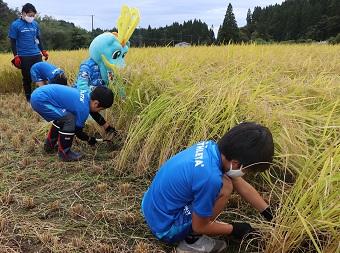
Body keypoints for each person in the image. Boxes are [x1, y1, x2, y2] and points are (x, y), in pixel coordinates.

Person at [141, 122, 275, 253]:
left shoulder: (209, 149)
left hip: (150, 207)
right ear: (235, 164)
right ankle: (192, 241)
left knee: (227, 181)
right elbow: (199, 226)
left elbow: (240, 183)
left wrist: (268, 213)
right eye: (248, 171)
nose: (245, 174)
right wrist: (234, 229)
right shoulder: (210, 178)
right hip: (165, 228)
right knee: (225, 187)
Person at [30, 85, 114, 162]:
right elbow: (78, 131)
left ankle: (49, 145)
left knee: (64, 116)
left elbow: (93, 112)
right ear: (96, 103)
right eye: (101, 109)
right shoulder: (83, 109)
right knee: (69, 119)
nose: (99, 111)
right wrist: (89, 139)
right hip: (41, 100)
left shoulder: (86, 96)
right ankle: (64, 153)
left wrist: (107, 127)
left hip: (39, 94)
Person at [8, 3, 49, 101]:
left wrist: (42, 51)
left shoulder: (35, 24)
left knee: (41, 76)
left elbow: (38, 38)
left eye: (33, 15)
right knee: (27, 78)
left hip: (36, 55)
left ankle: (42, 97)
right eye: (30, 15)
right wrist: (16, 56)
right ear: (23, 13)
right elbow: (13, 42)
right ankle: (28, 99)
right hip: (24, 56)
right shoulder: (15, 25)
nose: (32, 17)